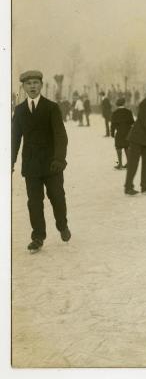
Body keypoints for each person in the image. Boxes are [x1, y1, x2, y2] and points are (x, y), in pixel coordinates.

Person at [12, 70, 71, 253]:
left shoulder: (51, 108)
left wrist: (59, 159)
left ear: (41, 85)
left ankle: (62, 225)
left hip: (52, 164)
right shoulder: (20, 110)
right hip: (31, 166)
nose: (32, 86)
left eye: (35, 83)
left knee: (57, 197)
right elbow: (14, 138)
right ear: (23, 87)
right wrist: (10, 162)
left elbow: (61, 136)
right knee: (34, 202)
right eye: (28, 83)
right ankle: (38, 236)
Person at [110, 97, 134, 170]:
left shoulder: (114, 113)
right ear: (124, 103)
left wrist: (112, 133)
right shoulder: (128, 112)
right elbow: (132, 122)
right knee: (127, 147)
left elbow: (113, 124)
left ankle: (120, 164)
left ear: (117, 104)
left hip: (119, 132)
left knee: (118, 147)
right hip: (127, 132)